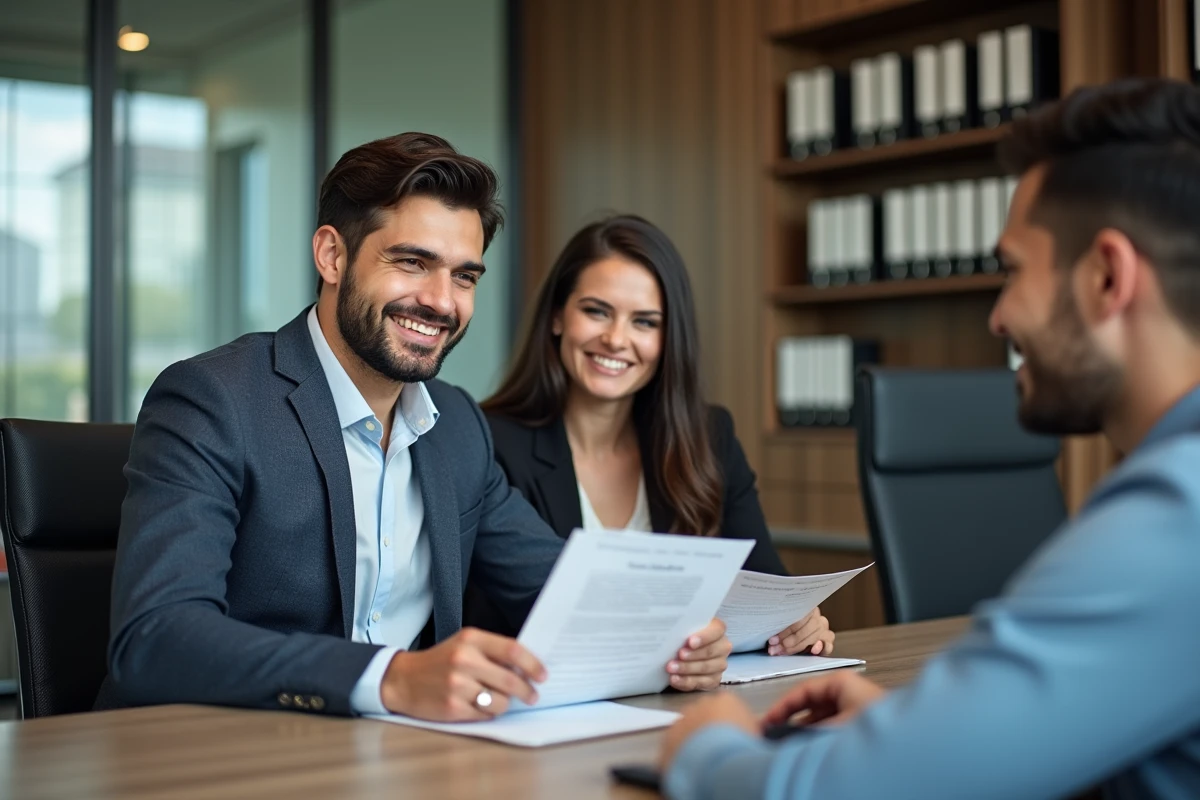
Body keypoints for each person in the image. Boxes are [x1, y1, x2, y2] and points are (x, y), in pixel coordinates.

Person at [657, 77, 1200, 800]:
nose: (999, 319)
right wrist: (928, 736)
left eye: (1012, 272)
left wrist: (708, 748)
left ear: (1107, 277)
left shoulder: (1179, 511)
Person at [98, 132, 730, 722]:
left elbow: (569, 591)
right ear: (332, 255)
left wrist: (686, 638)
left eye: (464, 275)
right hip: (232, 755)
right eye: (411, 262)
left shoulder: (456, 423)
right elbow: (156, 638)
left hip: (410, 758)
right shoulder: (213, 400)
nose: (441, 301)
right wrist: (390, 677)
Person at [468, 215, 835, 659]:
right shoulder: (486, 441)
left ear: (668, 339)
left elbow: (767, 588)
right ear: (558, 317)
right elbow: (489, 621)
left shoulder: (709, 437)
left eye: (644, 322)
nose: (616, 339)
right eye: (596, 311)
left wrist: (795, 623)